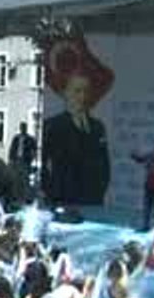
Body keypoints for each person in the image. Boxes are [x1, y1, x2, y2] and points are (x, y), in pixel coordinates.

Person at [41, 73, 111, 207]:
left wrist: (101, 188)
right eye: (77, 91)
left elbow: (104, 163)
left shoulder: (97, 127)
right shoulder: (53, 125)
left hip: (93, 198)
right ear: (65, 93)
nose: (82, 97)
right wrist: (51, 191)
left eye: (86, 91)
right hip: (64, 197)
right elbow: (43, 162)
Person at [7, 123, 38, 194]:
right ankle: (16, 193)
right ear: (20, 128)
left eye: (24, 128)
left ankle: (25, 194)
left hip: (25, 160)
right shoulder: (16, 138)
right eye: (22, 127)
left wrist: (32, 157)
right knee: (16, 178)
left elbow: (34, 149)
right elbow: (12, 148)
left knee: (25, 178)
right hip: (16, 159)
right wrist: (11, 159)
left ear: (26, 128)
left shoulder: (30, 139)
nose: (23, 129)